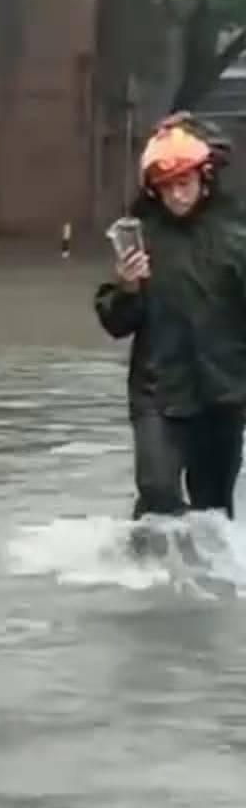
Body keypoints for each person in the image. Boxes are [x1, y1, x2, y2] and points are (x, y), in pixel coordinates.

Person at [94, 113, 246, 520]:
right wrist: (127, 289)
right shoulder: (138, 237)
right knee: (157, 489)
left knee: (213, 511)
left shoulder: (236, 237)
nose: (177, 196)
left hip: (223, 396)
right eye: (167, 189)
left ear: (204, 180)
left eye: (185, 184)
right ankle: (147, 571)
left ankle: (200, 580)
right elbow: (115, 323)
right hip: (158, 393)